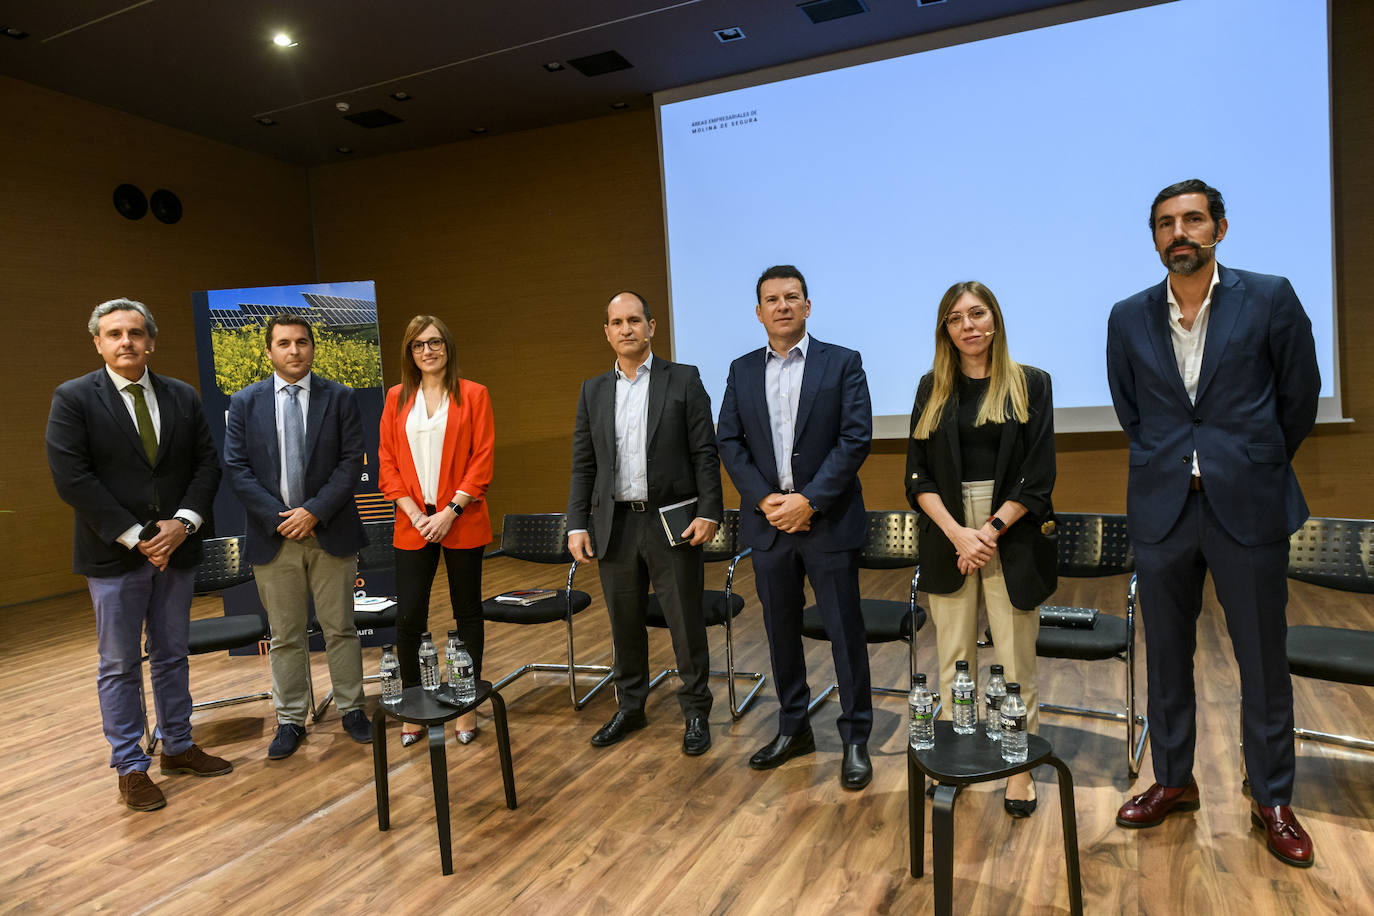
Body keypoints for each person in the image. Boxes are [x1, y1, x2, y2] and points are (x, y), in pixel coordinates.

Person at [1106, 179, 1320, 867]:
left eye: (1193, 220)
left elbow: (1299, 396)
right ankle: (1173, 779)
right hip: (1163, 508)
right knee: (1167, 655)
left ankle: (1273, 797)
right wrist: (1179, 462)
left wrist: (1249, 462)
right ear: (1155, 238)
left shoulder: (1269, 296)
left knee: (1261, 659)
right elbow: (1132, 411)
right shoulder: (1128, 316)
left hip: (1247, 504)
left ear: (1220, 229)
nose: (1180, 233)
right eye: (1166, 223)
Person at [46, 298, 233, 811]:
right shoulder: (74, 398)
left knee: (173, 654)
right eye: (114, 334)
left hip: (177, 549)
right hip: (116, 556)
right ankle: (130, 766)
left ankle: (177, 745)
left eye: (135, 332)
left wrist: (183, 523)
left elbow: (206, 465)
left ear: (150, 340)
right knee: (119, 663)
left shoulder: (182, 396)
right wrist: (136, 535)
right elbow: (73, 478)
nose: (125, 341)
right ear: (98, 343)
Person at [716, 265, 875, 789]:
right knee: (780, 632)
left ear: (808, 306)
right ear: (758, 312)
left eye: (792, 297)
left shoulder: (843, 363)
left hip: (827, 522)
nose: (782, 306)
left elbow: (855, 439)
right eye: (771, 299)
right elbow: (730, 443)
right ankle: (794, 727)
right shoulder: (741, 371)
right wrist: (765, 500)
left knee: (843, 634)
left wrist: (809, 500)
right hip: (769, 527)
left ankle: (855, 738)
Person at [904, 280, 1057, 817]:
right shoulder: (932, 388)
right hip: (948, 531)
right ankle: (961, 758)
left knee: (1016, 660)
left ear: (995, 319)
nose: (967, 325)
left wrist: (986, 532)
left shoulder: (1031, 385)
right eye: (954, 318)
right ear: (945, 331)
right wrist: (957, 534)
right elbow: (916, 477)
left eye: (976, 313)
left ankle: (1018, 770)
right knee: (954, 661)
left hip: (1008, 532)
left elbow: (1037, 479)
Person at [567, 292, 723, 755]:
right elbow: (584, 464)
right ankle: (630, 706)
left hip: (670, 522)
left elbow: (704, 454)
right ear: (607, 332)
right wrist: (577, 522)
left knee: (684, 621)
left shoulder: (684, 380)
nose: (626, 329)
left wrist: (709, 510)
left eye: (634, 320)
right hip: (613, 524)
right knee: (624, 622)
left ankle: (696, 711)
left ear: (652, 326)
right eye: (616, 322)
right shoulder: (593, 390)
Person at [223, 314, 372, 758]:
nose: (294, 351)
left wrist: (313, 512)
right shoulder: (245, 402)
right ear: (268, 351)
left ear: (313, 348)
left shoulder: (340, 397)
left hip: (330, 531)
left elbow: (350, 463)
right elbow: (237, 469)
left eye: (302, 343)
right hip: (275, 537)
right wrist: (281, 517)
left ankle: (351, 709)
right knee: (285, 635)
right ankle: (290, 719)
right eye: (284, 343)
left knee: (341, 629)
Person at [378, 314, 495, 746]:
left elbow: (481, 461)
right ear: (410, 353)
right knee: (409, 617)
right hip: (413, 521)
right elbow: (387, 463)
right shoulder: (395, 398)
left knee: (467, 614)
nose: (427, 351)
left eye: (435, 343)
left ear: (448, 347)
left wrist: (449, 512)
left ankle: (467, 705)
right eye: (418, 345)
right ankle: (414, 708)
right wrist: (414, 513)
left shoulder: (475, 395)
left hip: (460, 518)